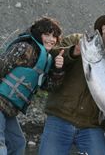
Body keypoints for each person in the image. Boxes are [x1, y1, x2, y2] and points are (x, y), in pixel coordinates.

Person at [38, 11, 105, 155]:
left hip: (92, 127)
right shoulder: (77, 40)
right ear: (103, 28)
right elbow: (52, 56)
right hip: (60, 118)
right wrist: (73, 52)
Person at [0, 17, 63, 155]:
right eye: (47, 34)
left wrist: (58, 70)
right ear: (38, 33)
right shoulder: (24, 47)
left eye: (55, 36)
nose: (51, 39)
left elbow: (48, 87)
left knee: (18, 144)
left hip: (9, 109)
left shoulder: (46, 58)